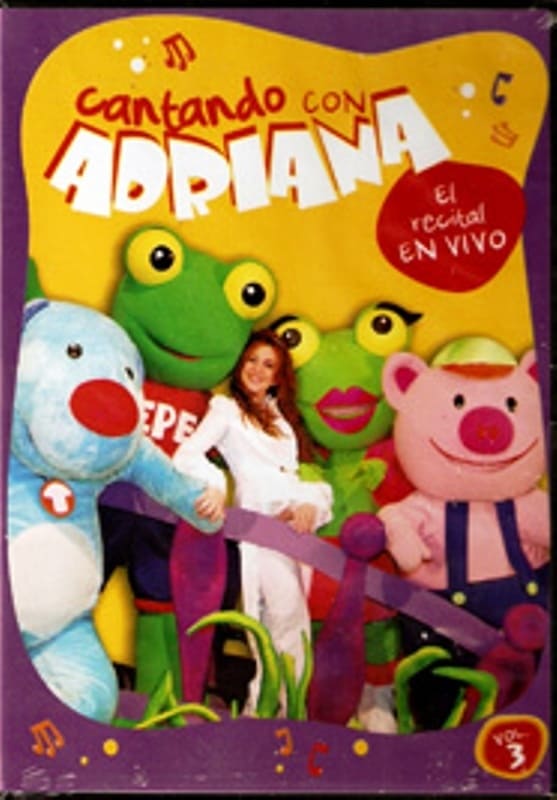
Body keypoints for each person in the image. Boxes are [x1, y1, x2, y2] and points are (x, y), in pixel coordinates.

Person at [173, 328, 333, 714]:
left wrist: (309, 506)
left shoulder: (280, 418)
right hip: (260, 531)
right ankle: (264, 716)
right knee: (273, 628)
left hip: (293, 532)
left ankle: (285, 716)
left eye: (268, 365)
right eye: (252, 361)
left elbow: (294, 477)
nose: (258, 370)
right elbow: (186, 456)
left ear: (278, 376)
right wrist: (216, 486)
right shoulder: (225, 409)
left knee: (294, 628)